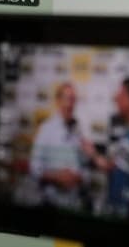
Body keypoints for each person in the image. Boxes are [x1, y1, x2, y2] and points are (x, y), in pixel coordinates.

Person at [85, 77, 129, 218]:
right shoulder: (128, 133)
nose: (116, 98)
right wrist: (92, 153)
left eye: (121, 94)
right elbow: (112, 166)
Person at [29, 82, 88, 210]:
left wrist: (76, 176)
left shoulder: (78, 131)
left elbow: (84, 168)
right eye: (67, 98)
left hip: (73, 205)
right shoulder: (46, 130)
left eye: (73, 99)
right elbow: (34, 168)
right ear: (58, 100)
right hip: (50, 207)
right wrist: (57, 177)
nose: (71, 104)